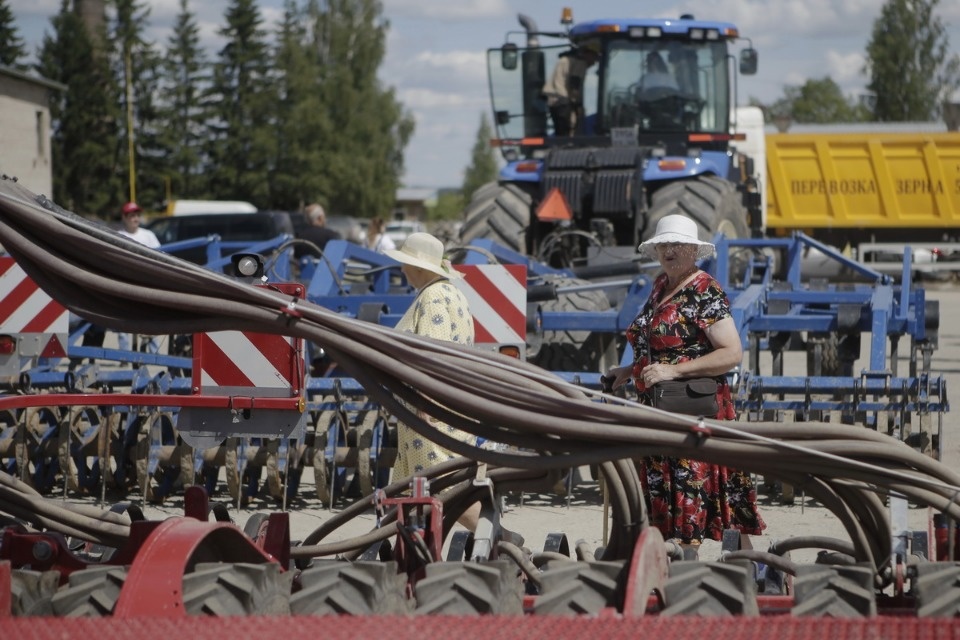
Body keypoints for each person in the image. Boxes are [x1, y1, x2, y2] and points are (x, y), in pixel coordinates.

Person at [607, 214, 764, 557]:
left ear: (694, 250)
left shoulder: (706, 290)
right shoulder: (661, 285)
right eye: (664, 244)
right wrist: (628, 370)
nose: (669, 250)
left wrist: (674, 373)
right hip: (659, 409)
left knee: (694, 484)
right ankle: (686, 561)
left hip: (693, 409)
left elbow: (732, 353)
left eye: (677, 244)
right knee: (666, 489)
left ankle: (726, 563)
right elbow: (661, 348)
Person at [383, 232, 485, 531]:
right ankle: (421, 550)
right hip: (438, 408)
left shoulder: (433, 297)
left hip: (429, 413)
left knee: (439, 485)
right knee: (421, 488)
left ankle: (499, 537)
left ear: (418, 266)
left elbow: (432, 353)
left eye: (405, 263)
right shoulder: (450, 293)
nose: (402, 270)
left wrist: (426, 396)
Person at [116, 202, 160, 353]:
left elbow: (160, 257)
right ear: (124, 217)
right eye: (132, 215)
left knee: (151, 315)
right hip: (126, 282)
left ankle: (155, 352)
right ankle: (124, 354)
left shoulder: (149, 235)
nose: (135, 218)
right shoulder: (119, 236)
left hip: (147, 282)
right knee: (122, 316)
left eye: (137, 215)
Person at [543, 41, 600, 136]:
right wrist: (577, 105)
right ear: (589, 54)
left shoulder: (564, 60)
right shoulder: (580, 63)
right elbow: (575, 84)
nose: (594, 63)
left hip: (554, 101)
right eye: (595, 58)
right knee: (570, 131)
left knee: (560, 133)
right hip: (564, 102)